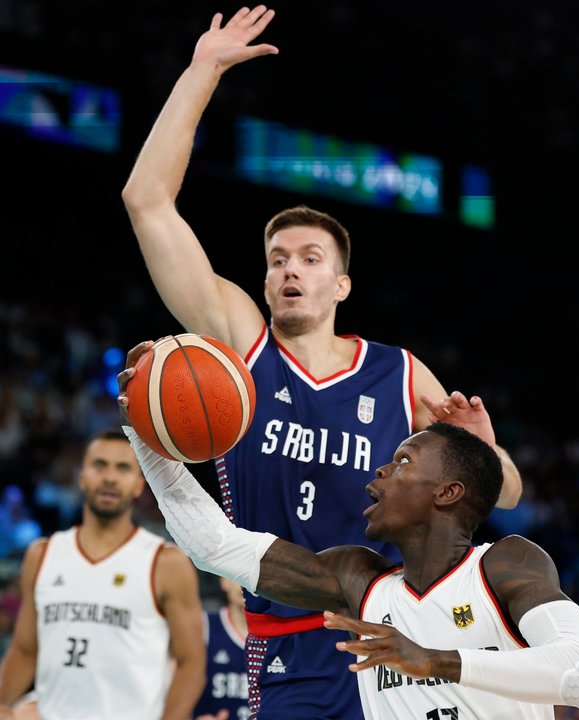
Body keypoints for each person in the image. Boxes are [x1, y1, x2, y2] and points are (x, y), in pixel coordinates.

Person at [120, 6, 523, 719]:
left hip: (391, 635)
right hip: (283, 639)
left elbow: (510, 493)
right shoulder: (236, 343)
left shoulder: (397, 372)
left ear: (340, 285)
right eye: (277, 260)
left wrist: (486, 456)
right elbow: (146, 202)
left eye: (309, 259)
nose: (289, 271)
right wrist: (201, 71)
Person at [116, 365, 579, 720]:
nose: (380, 469)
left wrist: (433, 660)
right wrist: (143, 426)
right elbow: (211, 543)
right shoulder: (358, 579)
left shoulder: (506, 563)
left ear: (448, 492)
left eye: (403, 461)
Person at [0, 427, 207, 720]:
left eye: (123, 468)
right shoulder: (42, 554)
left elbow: (191, 664)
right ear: (81, 476)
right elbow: (24, 650)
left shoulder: (166, 563)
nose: (110, 477)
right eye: (100, 465)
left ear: (139, 484)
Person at [194, 577, 249, 720]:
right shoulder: (202, 626)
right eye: (240, 574)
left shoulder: (287, 636)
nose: (247, 583)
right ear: (223, 581)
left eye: (254, 574)